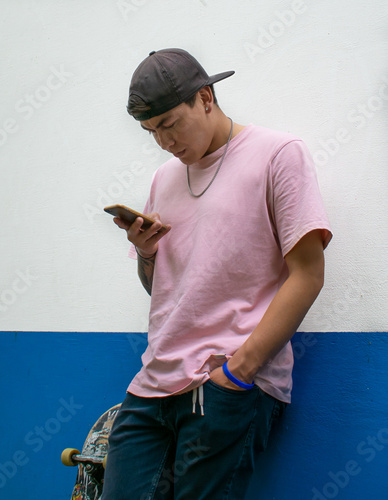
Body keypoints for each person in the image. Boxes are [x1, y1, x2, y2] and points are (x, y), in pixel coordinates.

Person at [102, 48, 332, 500]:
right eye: (151, 132)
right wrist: (147, 254)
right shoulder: (165, 178)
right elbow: (163, 291)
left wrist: (240, 370)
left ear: (206, 97)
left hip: (224, 384)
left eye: (169, 124)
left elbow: (308, 275)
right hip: (153, 383)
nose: (164, 142)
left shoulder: (278, 154)